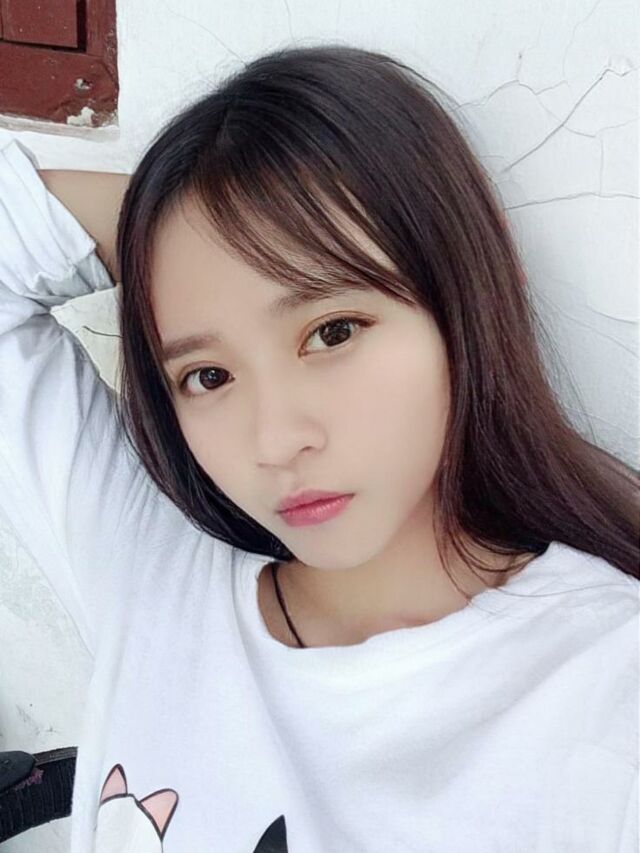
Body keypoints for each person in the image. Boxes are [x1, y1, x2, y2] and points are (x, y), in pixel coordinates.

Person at [0, 43, 637, 852]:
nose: (274, 441)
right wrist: (183, 235)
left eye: (332, 332)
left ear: (469, 281)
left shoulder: (608, 693)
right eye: (207, 375)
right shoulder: (153, 573)